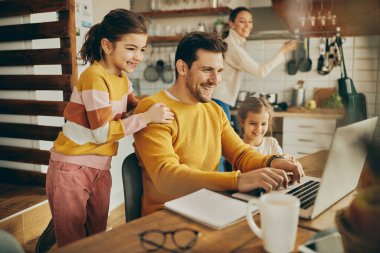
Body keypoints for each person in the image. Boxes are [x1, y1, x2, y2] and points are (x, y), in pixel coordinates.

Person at [39, 9, 174, 249]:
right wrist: (146, 117)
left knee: (97, 233)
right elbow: (101, 133)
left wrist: (163, 106)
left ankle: (57, 227)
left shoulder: (122, 78)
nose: (138, 56)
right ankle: (56, 233)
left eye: (142, 49)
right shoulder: (95, 77)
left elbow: (136, 106)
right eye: (131, 48)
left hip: (101, 168)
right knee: (72, 239)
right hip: (72, 166)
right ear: (107, 45)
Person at [133, 31, 304, 216]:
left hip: (208, 205)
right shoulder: (153, 109)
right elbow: (167, 177)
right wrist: (238, 181)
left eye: (220, 71)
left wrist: (272, 161)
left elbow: (241, 154)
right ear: (182, 68)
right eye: (207, 70)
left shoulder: (214, 110)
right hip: (166, 217)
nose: (216, 80)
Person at [212, 6, 298, 121]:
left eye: (250, 21)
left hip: (219, 99)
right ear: (231, 24)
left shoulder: (232, 43)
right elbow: (260, 71)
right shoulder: (232, 47)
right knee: (222, 138)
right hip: (219, 100)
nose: (247, 25)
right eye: (242, 21)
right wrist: (283, 51)